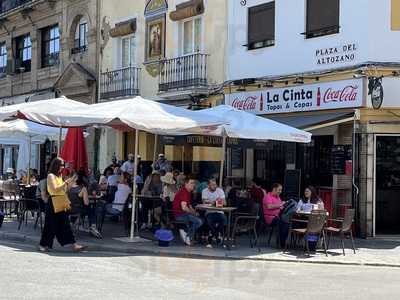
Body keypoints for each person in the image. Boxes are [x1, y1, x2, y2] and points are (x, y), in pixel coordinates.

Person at [39, 157, 86, 253]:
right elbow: (55, 189)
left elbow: (64, 190)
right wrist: (66, 182)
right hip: (53, 202)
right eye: (61, 165)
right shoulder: (50, 176)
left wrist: (71, 181)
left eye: (63, 165)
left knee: (65, 224)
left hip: (61, 201)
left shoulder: (59, 177)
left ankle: (74, 245)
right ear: (56, 165)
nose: (63, 167)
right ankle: (43, 244)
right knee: (50, 225)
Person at [68, 171, 102, 239]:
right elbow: (86, 202)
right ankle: (93, 226)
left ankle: (71, 223)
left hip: (68, 210)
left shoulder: (67, 188)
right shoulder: (83, 189)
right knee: (91, 209)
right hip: (78, 210)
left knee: (77, 209)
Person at [172, 177, 203, 246]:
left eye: (194, 183)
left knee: (200, 219)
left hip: (182, 214)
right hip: (179, 215)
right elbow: (184, 208)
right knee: (199, 221)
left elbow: (189, 206)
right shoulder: (184, 192)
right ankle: (187, 235)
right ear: (186, 184)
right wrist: (193, 213)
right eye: (191, 183)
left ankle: (186, 232)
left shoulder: (187, 192)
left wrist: (194, 213)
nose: (193, 185)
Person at [202, 179, 227, 247]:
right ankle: (217, 235)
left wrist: (212, 202)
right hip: (209, 212)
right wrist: (217, 201)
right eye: (212, 185)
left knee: (224, 220)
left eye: (215, 184)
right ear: (208, 185)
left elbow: (224, 203)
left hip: (219, 212)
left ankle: (212, 234)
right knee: (209, 221)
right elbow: (205, 202)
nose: (215, 186)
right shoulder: (204, 191)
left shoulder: (220, 190)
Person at [262, 183, 288, 248]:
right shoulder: (268, 196)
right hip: (269, 218)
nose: (280, 192)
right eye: (279, 190)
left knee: (287, 223)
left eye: (281, 190)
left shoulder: (278, 197)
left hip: (277, 217)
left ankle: (283, 242)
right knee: (283, 223)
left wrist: (284, 205)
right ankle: (282, 244)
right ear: (274, 189)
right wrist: (280, 205)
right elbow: (269, 206)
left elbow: (280, 207)